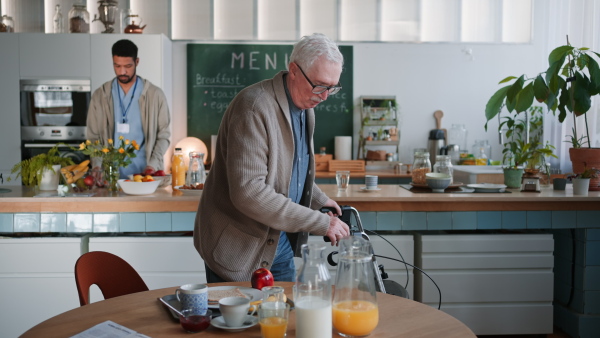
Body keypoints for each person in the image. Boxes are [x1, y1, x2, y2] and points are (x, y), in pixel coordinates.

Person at [193, 33, 350, 283]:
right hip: (238, 247)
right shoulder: (254, 108)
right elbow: (249, 192)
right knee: (239, 322)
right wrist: (320, 223)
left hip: (275, 239)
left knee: (284, 317)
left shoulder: (304, 107)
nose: (324, 96)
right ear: (294, 70)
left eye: (332, 87)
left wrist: (319, 200)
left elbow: (289, 169)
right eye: (320, 85)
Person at [86, 39, 171, 177]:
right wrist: (97, 166)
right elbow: (93, 137)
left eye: (128, 66)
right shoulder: (100, 96)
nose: (122, 71)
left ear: (137, 62)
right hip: (110, 179)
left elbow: (164, 136)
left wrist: (153, 165)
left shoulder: (155, 95)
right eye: (117, 66)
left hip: (145, 177)